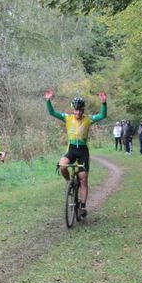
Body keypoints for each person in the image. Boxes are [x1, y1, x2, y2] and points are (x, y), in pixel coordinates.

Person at [45, 88, 107, 216]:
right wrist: (48, 100)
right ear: (73, 109)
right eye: (75, 110)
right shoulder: (67, 118)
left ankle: (83, 206)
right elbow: (52, 112)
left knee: (83, 179)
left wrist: (104, 103)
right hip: (72, 150)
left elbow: (102, 115)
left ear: (83, 110)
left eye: (79, 110)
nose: (77, 112)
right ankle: (69, 182)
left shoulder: (88, 119)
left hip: (83, 151)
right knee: (62, 166)